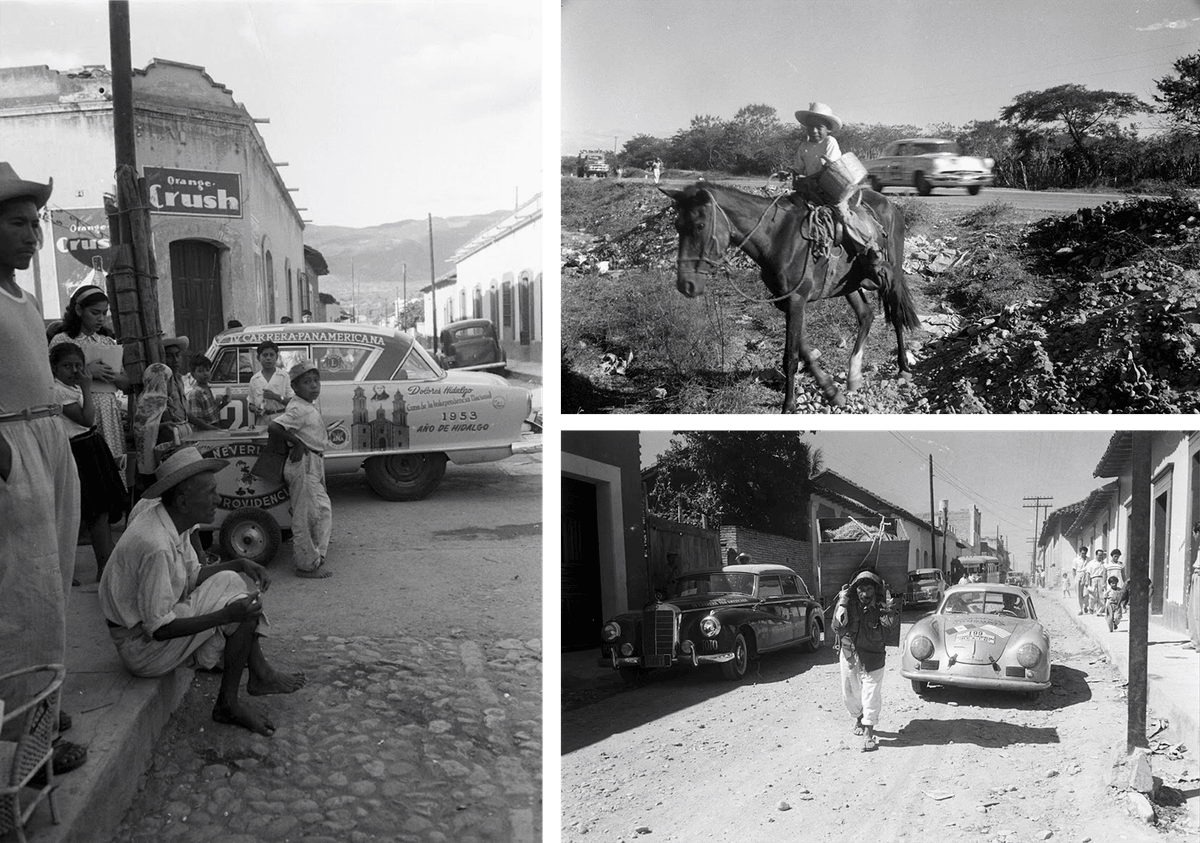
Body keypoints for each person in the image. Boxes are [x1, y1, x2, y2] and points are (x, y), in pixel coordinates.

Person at [98, 446, 306, 735]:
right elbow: (158, 629)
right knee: (239, 611)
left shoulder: (169, 520)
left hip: (148, 631)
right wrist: (224, 616)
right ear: (183, 502)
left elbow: (193, 576)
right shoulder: (156, 545)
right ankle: (228, 703)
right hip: (141, 649)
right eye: (209, 493)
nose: (217, 499)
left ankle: (258, 674)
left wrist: (239, 563)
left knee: (235, 584)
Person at [0, 162, 88, 776]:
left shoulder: (26, 299)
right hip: (13, 453)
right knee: (25, 596)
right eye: (16, 223)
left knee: (53, 585)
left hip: (48, 440)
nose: (32, 235)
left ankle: (40, 708)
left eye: (35, 224)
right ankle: (27, 748)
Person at [50, 341, 128, 581]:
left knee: (101, 509)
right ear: (54, 368)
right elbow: (86, 419)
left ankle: (104, 564)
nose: (74, 371)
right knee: (87, 511)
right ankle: (70, 570)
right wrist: (86, 387)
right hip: (78, 450)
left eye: (78, 365)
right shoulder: (58, 391)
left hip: (91, 445)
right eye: (67, 366)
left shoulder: (71, 388)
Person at [790, 102, 886, 287]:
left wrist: (809, 178)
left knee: (844, 216)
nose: (815, 131)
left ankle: (871, 254)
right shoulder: (804, 146)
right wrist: (791, 173)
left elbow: (831, 170)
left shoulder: (830, 143)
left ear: (828, 130)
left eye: (820, 127)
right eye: (811, 126)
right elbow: (798, 168)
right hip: (810, 190)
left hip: (832, 188)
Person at [49, 283, 131, 480]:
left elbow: (126, 382)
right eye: (95, 313)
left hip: (108, 411)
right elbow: (51, 378)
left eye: (104, 313)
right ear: (78, 310)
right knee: (86, 472)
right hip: (77, 411)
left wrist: (114, 376)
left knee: (111, 466)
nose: (101, 318)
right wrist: (88, 371)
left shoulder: (107, 342)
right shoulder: (62, 341)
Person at [269, 360, 332, 579]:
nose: (314, 386)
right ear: (295, 387)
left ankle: (317, 555)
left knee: (322, 510)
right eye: (307, 382)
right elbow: (275, 426)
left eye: (316, 381)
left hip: (313, 462)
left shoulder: (304, 405)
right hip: (303, 464)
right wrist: (296, 443)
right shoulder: (298, 408)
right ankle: (305, 565)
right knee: (307, 515)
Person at [831, 569, 898, 752]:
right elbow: (836, 628)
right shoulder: (848, 604)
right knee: (849, 692)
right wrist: (842, 603)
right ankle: (859, 718)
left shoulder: (882, 607)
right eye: (861, 589)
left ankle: (869, 732)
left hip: (873, 656)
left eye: (869, 589)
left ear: (875, 591)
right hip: (850, 653)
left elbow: (890, 630)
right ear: (855, 591)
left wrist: (888, 609)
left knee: (871, 693)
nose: (864, 594)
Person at [162, 336, 215, 434]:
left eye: (177, 355)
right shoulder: (161, 383)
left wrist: (210, 428)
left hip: (185, 432)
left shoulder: (179, 380)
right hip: (173, 434)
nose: (175, 360)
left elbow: (187, 414)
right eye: (169, 356)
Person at [248, 340, 291, 428]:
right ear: (258, 358)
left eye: (271, 355)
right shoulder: (254, 379)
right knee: (262, 441)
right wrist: (256, 410)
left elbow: (292, 401)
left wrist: (276, 397)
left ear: (276, 357)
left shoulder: (283, 376)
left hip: (281, 418)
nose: (268, 358)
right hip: (262, 420)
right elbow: (251, 405)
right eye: (265, 355)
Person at [186, 354, 230, 428]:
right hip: (206, 432)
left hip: (213, 427)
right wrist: (211, 428)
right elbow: (197, 421)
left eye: (207, 370)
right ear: (193, 375)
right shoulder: (195, 393)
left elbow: (210, 414)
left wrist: (222, 404)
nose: (205, 373)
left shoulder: (207, 389)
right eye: (200, 371)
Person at [1186, 524, 1200, 651]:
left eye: (1194, 533)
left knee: (1198, 610)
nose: (1193, 536)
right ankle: (1195, 641)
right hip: (1196, 576)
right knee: (1192, 610)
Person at [1085, 550, 1107, 615]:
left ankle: (1099, 611)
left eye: (1102, 555)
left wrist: (1104, 582)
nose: (1101, 557)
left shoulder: (1104, 563)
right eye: (1099, 555)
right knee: (1092, 595)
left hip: (1101, 579)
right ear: (1096, 555)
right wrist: (1087, 581)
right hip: (1093, 579)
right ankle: (1091, 608)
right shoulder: (1091, 563)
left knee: (1101, 596)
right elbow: (1088, 573)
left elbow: (1105, 573)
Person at [1072, 546, 1090, 615]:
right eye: (1082, 553)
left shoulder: (1089, 560)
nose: (1083, 555)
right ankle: (1080, 609)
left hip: (1086, 575)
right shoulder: (1076, 560)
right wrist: (1075, 579)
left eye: (1085, 553)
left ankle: (1085, 605)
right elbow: (1073, 570)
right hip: (1078, 575)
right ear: (1080, 553)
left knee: (1087, 593)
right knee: (1079, 594)